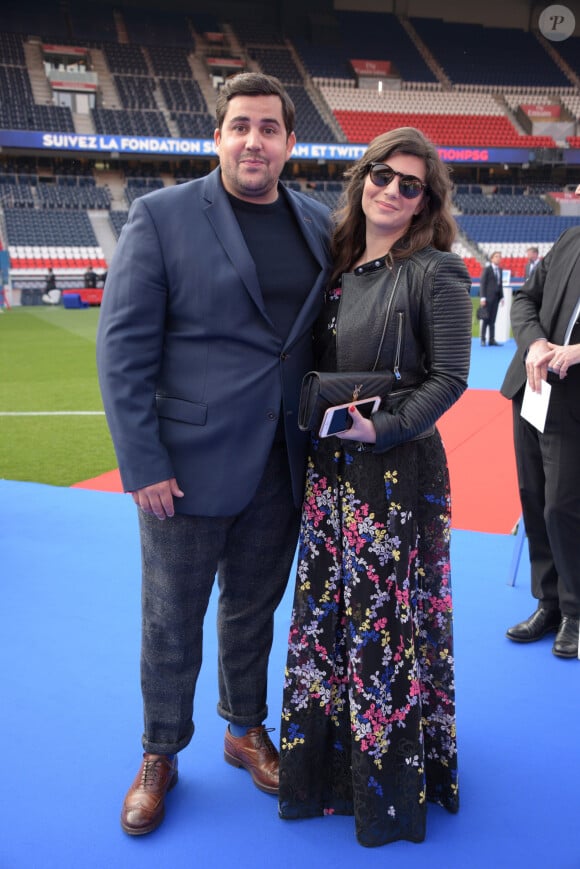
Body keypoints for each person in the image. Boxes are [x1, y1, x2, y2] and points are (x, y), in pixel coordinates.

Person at [96, 72, 331, 836]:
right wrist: (143, 461)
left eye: (269, 128)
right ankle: (161, 752)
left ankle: (244, 727)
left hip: (283, 461)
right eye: (240, 126)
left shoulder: (320, 223)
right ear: (218, 136)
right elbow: (123, 348)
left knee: (253, 610)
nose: (253, 140)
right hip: (184, 468)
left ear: (291, 143)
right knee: (172, 621)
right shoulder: (161, 216)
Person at [278, 127, 472, 846]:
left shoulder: (436, 271)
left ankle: (386, 788)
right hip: (331, 474)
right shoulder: (337, 266)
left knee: (385, 628)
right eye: (381, 175)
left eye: (409, 184)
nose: (390, 190)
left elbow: (451, 377)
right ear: (362, 178)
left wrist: (381, 430)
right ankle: (325, 770)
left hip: (393, 477)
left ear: (427, 202)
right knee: (329, 622)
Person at [501, 185, 580, 659]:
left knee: (563, 508)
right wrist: (534, 344)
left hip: (576, 404)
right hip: (532, 391)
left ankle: (576, 609)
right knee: (533, 501)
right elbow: (524, 301)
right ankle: (548, 602)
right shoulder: (569, 240)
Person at [478, 250, 503, 345]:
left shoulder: (500, 270)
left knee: (493, 320)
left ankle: (492, 340)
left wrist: (502, 297)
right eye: (496, 256)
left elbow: (500, 285)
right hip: (487, 299)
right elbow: (483, 283)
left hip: (496, 299)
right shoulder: (487, 269)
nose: (498, 258)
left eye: (499, 257)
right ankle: (483, 339)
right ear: (492, 258)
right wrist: (482, 298)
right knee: (485, 319)